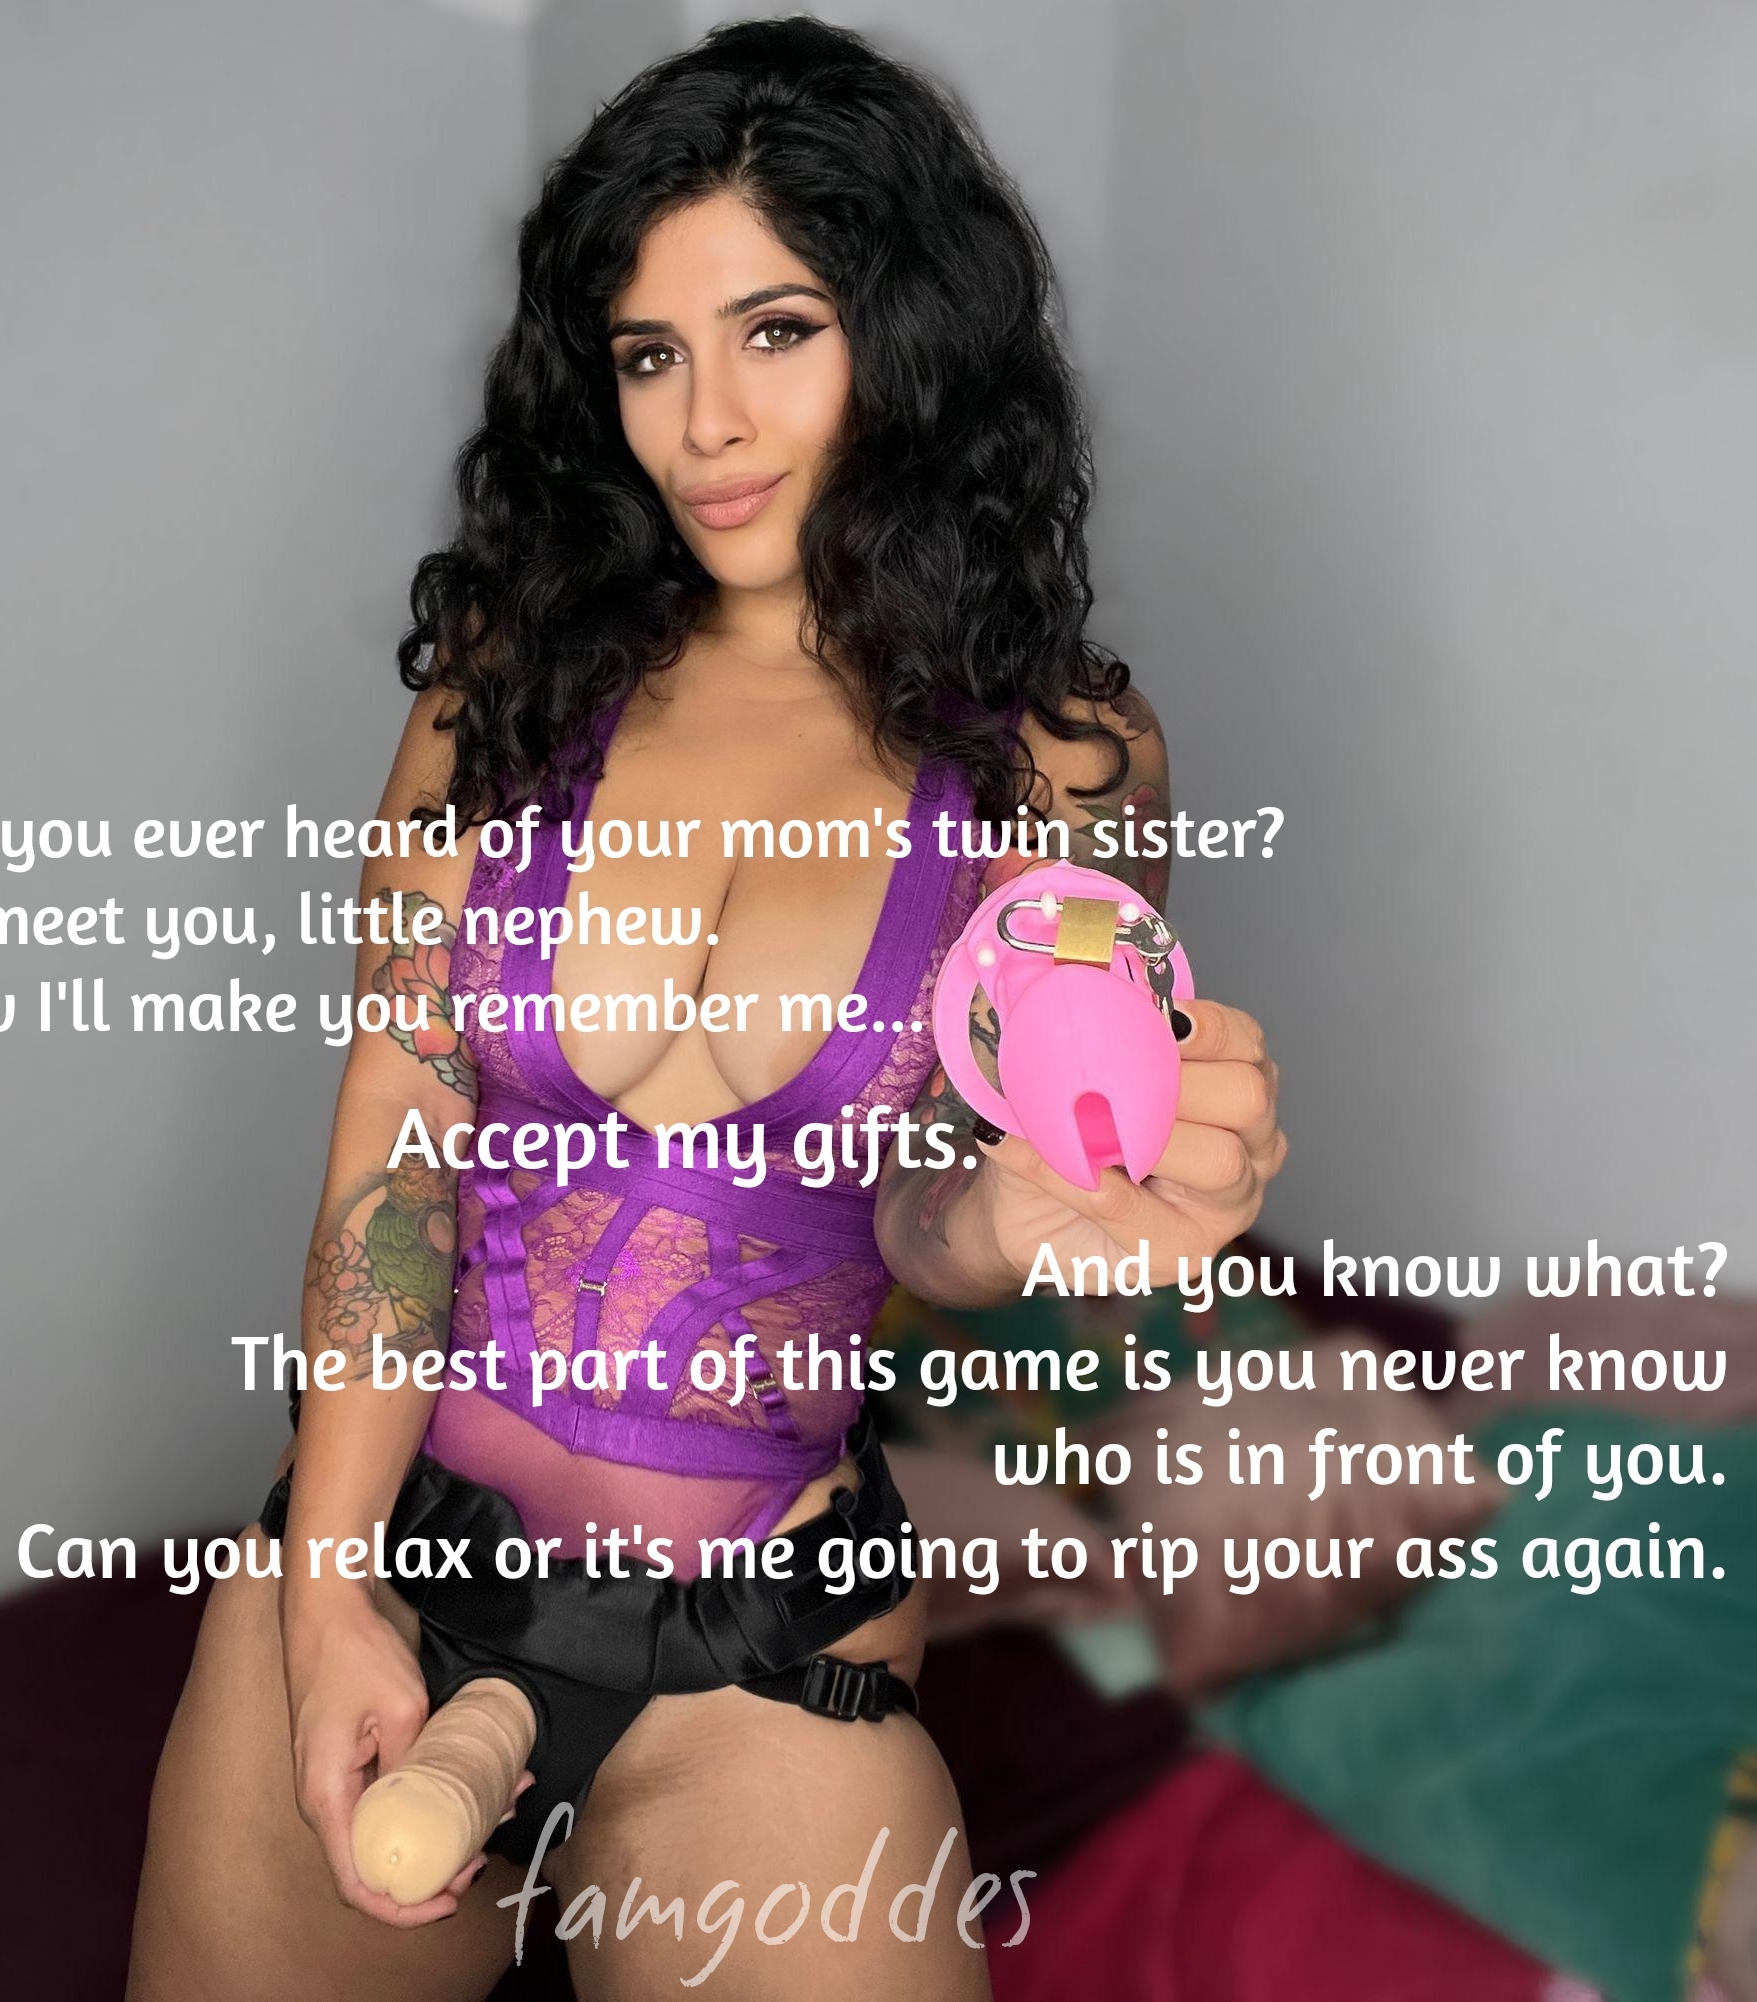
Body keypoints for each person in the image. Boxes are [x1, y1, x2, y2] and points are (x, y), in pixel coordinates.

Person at [126, 18, 1285, 1998]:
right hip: (401, 1550)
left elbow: (936, 1215)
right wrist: (326, 1598)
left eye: (777, 331)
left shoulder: (1058, 759)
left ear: (909, 337)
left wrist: (1030, 1219)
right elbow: (396, 1155)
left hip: (762, 1638)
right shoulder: (503, 680)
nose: (706, 425)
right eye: (649, 353)